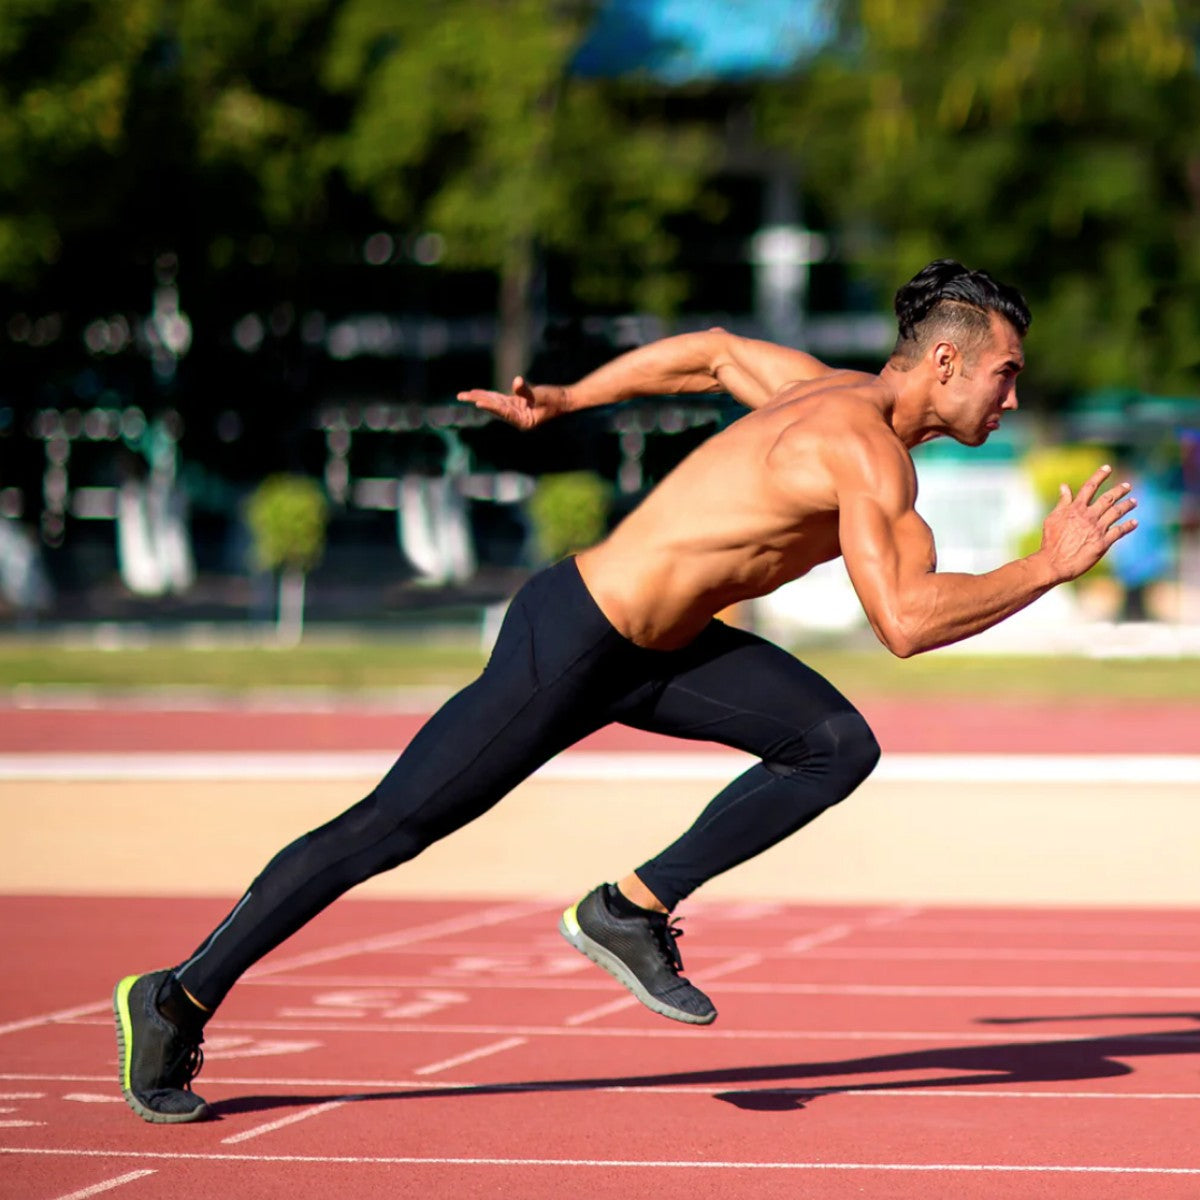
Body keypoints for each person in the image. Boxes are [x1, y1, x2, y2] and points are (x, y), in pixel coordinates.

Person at [112, 259, 1138, 1123]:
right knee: (391, 826)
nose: (1010, 398)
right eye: (1004, 375)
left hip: (666, 650)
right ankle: (179, 995)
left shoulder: (820, 390)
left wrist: (570, 398)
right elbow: (906, 624)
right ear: (945, 360)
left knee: (834, 742)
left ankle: (628, 908)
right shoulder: (858, 445)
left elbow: (712, 351)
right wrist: (1049, 567)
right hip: (575, 639)